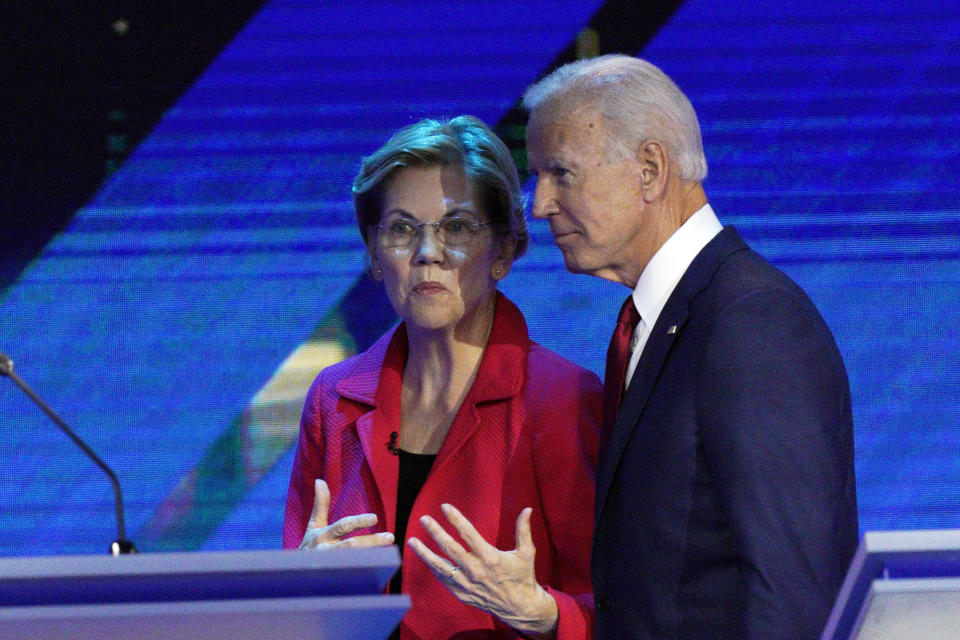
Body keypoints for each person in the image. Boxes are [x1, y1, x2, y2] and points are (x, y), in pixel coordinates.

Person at [522, 55, 858, 640]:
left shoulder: (751, 323)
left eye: (560, 173)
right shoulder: (660, 320)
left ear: (649, 168)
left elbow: (794, 592)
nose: (540, 204)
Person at [283, 115, 601, 639]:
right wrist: (298, 587)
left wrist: (545, 616)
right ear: (374, 255)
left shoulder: (561, 400)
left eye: (456, 227)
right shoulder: (332, 398)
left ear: (502, 251)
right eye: (403, 229)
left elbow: (619, 608)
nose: (428, 253)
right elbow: (294, 597)